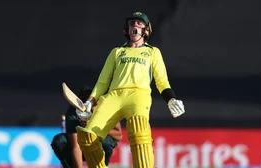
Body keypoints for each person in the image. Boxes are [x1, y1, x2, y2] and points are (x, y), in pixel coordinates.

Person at [76, 12, 185, 168]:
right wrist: (89, 101)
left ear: (146, 30)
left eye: (140, 24)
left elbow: (161, 81)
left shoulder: (153, 52)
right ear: (127, 29)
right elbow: (102, 81)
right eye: (132, 23)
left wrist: (171, 99)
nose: (135, 25)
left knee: (139, 130)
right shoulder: (117, 52)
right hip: (114, 95)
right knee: (87, 137)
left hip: (138, 95)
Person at [51, 86, 122, 168]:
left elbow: (118, 136)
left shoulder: (107, 107)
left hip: (98, 148)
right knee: (59, 141)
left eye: (97, 103)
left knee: (107, 142)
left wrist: (93, 126)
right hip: (81, 147)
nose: (95, 108)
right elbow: (76, 147)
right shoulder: (74, 112)